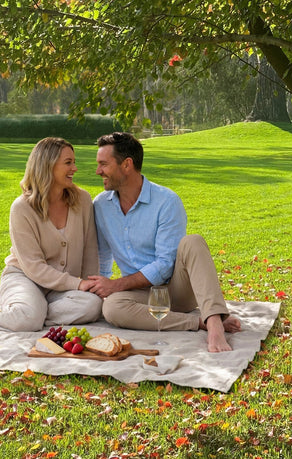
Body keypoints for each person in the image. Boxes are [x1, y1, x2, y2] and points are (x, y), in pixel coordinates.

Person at [80, 132, 241, 352]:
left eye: (103, 164)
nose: (98, 171)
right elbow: (103, 254)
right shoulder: (101, 205)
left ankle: (214, 324)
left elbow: (165, 265)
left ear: (127, 164)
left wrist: (117, 284)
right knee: (112, 308)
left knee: (192, 242)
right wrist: (102, 287)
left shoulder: (166, 201)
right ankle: (198, 323)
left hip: (175, 291)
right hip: (140, 295)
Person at [0, 137, 102, 330]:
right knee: (30, 315)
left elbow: (90, 249)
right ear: (47, 165)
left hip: (61, 286)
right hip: (25, 276)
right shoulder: (22, 208)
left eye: (74, 162)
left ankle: (29, 313)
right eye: (68, 163)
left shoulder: (82, 199)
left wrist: (90, 285)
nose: (75, 168)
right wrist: (77, 285)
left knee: (93, 305)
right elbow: (33, 267)